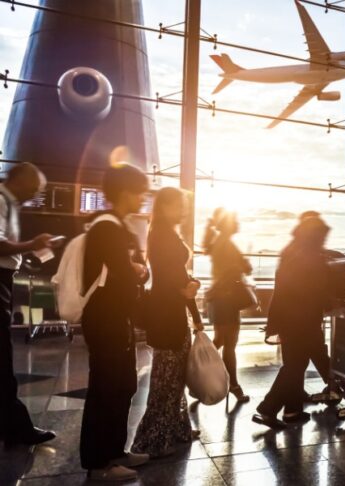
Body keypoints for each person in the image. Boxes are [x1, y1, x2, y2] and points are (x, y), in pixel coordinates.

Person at [254, 215, 345, 429]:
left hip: (290, 318)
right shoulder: (307, 255)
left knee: (296, 364)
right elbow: (318, 282)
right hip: (301, 319)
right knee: (294, 366)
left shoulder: (293, 249)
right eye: (322, 237)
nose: (323, 242)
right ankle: (267, 409)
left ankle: (292, 411)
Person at [80, 163, 151, 481]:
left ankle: (115, 452)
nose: (142, 199)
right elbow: (125, 272)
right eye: (140, 192)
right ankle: (98, 464)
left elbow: (135, 269)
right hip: (105, 318)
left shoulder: (116, 225)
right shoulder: (106, 226)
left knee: (124, 385)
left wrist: (138, 270)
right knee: (106, 389)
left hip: (115, 317)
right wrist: (136, 270)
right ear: (126, 192)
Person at [132, 187, 203, 458]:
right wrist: (187, 289)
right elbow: (172, 277)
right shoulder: (163, 235)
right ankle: (152, 439)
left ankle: (176, 429)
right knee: (166, 377)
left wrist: (190, 291)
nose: (184, 210)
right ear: (165, 207)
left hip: (170, 311)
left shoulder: (163, 233)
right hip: (167, 314)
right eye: (180, 205)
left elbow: (177, 276)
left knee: (173, 376)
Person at [0, 163, 58, 447]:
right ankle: (16, 428)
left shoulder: (9, 205)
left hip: (4, 279)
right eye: (34, 188)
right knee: (1, 357)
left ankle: (12, 426)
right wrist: (31, 244)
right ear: (19, 179)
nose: (35, 194)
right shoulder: (0, 200)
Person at [203, 208, 251, 403]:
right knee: (229, 344)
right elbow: (241, 269)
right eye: (235, 219)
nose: (238, 222)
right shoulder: (227, 244)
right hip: (226, 300)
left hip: (220, 300)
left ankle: (200, 376)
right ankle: (232, 385)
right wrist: (242, 265)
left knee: (221, 341)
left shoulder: (219, 242)